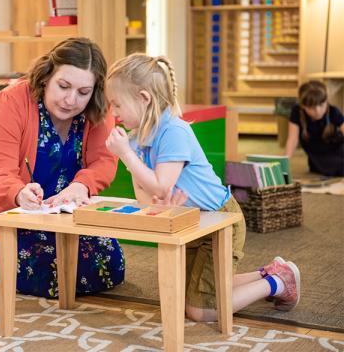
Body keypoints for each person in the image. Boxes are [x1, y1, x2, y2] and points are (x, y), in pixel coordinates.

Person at [104, 53, 300, 322]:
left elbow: (160, 186)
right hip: (192, 222)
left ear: (144, 98)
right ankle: (271, 271)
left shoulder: (173, 131)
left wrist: (126, 156)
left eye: (116, 104)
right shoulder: (137, 137)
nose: (112, 112)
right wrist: (155, 199)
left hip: (220, 221)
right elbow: (146, 197)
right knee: (184, 293)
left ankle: (276, 282)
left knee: (200, 310)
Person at [0, 37, 125, 298]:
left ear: (94, 91)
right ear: (46, 77)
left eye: (83, 92)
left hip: (66, 217)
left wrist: (81, 185)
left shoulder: (98, 107)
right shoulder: (10, 102)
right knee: (51, 276)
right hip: (12, 214)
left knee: (110, 266)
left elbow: (104, 161)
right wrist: (18, 193)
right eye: (63, 86)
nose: (71, 100)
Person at [285, 80, 344, 176]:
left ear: (326, 101)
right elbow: (292, 139)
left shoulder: (334, 112)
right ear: (303, 106)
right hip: (318, 157)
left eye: (321, 105)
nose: (317, 111)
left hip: (337, 151)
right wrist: (284, 162)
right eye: (311, 107)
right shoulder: (296, 112)